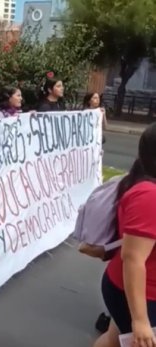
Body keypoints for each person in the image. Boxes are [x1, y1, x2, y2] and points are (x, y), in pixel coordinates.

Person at [93, 123, 156, 347]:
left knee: (113, 339)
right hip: (141, 294)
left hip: (132, 289)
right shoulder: (150, 195)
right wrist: (140, 320)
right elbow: (134, 258)